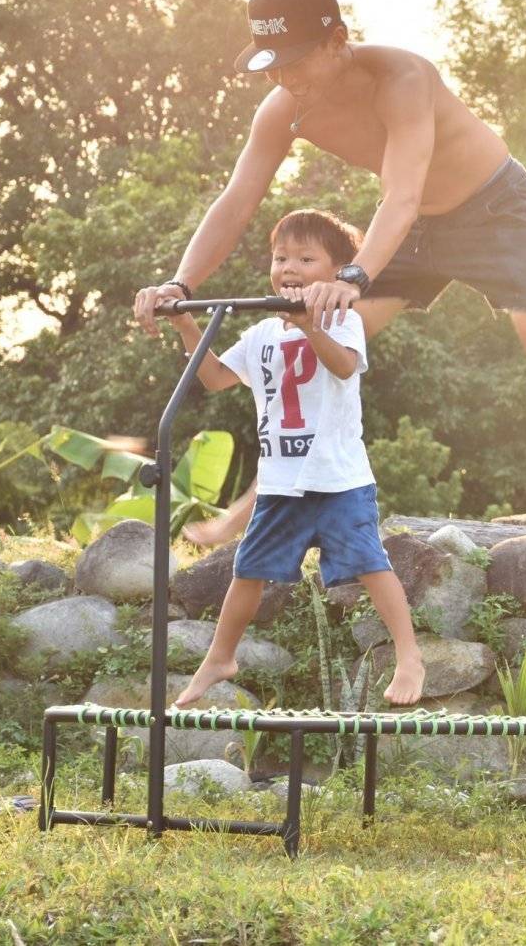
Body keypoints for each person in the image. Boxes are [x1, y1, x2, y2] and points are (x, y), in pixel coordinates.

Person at [132, 0, 526, 577]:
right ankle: (253, 509)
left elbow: (402, 191)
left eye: (295, 61)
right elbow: (236, 202)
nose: (283, 78)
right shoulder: (282, 110)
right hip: (411, 226)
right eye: (271, 66)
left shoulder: (404, 78)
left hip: (492, 208)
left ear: (337, 40)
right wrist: (180, 285)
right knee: (314, 348)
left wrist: (356, 274)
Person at [164, 208, 424, 708]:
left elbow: (344, 367)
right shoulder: (262, 333)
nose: (290, 267)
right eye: (281, 257)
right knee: (248, 569)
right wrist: (186, 328)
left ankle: (408, 654)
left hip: (337, 479)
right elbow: (216, 377)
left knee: (371, 563)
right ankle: (220, 656)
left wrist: (309, 327)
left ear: (338, 271)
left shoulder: (343, 319)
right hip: (282, 481)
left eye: (307, 258)